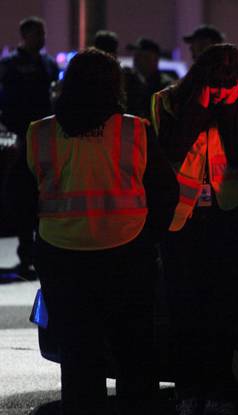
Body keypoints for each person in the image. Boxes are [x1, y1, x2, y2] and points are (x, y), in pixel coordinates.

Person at [4, 48, 178, 415]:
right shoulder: (136, 130)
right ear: (115, 86)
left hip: (63, 256)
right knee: (134, 351)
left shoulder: (41, 133)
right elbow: (165, 192)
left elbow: (18, 197)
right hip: (128, 252)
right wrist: (150, 237)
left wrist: (36, 236)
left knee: (79, 353)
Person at [151, 43, 238, 415]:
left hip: (225, 216)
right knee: (185, 310)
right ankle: (187, 390)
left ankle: (219, 390)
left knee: (222, 310)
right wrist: (198, 108)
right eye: (215, 79)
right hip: (181, 217)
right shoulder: (166, 102)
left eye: (230, 80)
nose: (222, 86)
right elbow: (172, 150)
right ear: (200, 76)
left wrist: (228, 112)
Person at [0, 16, 59, 279]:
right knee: (24, 198)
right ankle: (26, 255)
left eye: (43, 33)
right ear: (25, 35)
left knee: (43, 196)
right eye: (38, 34)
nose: (42, 38)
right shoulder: (10, 65)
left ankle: (39, 253)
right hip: (21, 138)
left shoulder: (47, 64)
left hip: (45, 138)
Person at [125, 37, 174, 118]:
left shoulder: (165, 85)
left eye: (141, 55)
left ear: (155, 59)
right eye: (135, 55)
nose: (136, 59)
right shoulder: (130, 82)